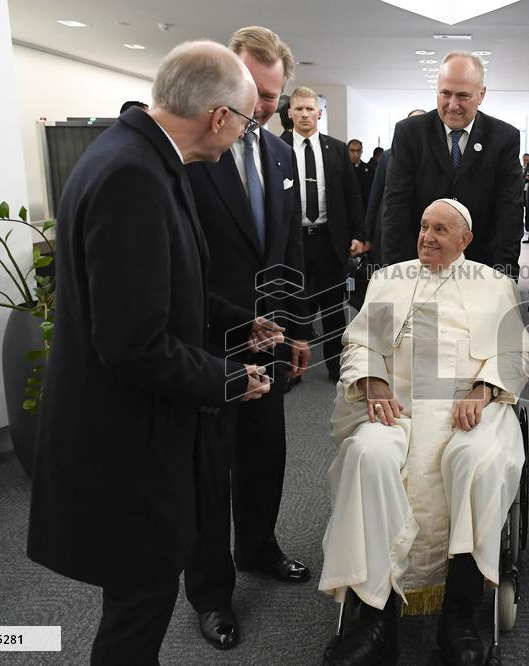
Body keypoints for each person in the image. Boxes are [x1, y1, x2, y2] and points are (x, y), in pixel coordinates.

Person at [27, 40, 276, 664]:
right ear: (219, 116)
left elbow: (167, 288)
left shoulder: (141, 157)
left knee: (141, 597)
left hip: (133, 431)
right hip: (125, 440)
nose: (244, 135)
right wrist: (229, 380)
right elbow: (132, 344)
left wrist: (240, 323)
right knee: (139, 609)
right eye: (246, 120)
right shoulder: (133, 175)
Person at [320, 198, 529, 665]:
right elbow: (360, 344)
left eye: (440, 229)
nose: (427, 237)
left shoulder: (493, 284)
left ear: (465, 240)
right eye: (422, 226)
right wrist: (374, 385)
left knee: (476, 462)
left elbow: (515, 353)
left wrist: (482, 391)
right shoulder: (389, 279)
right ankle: (376, 618)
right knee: (368, 456)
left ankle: (458, 618)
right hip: (398, 408)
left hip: (469, 411)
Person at [182, 26, 312, 651]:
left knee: (267, 453)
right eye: (257, 93)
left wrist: (297, 329)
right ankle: (210, 592)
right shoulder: (192, 153)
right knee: (211, 466)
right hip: (208, 336)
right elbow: (184, 259)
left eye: (273, 95)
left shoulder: (280, 154)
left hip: (272, 335)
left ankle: (258, 549)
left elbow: (289, 246)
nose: (264, 106)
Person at [381, 51, 523, 275]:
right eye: (445, 94)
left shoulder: (504, 138)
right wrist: (396, 271)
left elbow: (509, 214)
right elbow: (395, 208)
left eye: (463, 96)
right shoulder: (410, 133)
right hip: (418, 264)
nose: (452, 104)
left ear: (481, 94)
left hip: (480, 266)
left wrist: (503, 275)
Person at [282, 86, 365, 381]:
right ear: (290, 112)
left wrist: (358, 234)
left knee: (333, 307)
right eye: (299, 109)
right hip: (293, 242)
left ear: (319, 113)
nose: (305, 114)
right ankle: (292, 370)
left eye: (310, 109)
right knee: (294, 305)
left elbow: (351, 195)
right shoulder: (277, 147)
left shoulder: (337, 149)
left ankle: (335, 366)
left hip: (330, 240)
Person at [364, 109, 427, 265]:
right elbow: (376, 195)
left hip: (422, 230)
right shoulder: (388, 156)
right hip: (391, 228)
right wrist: (367, 235)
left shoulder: (433, 156)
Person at [348, 138, 375, 209]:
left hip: (365, 207)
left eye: (358, 150)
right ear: (348, 151)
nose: (356, 154)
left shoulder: (370, 170)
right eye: (352, 151)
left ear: (361, 151)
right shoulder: (343, 169)